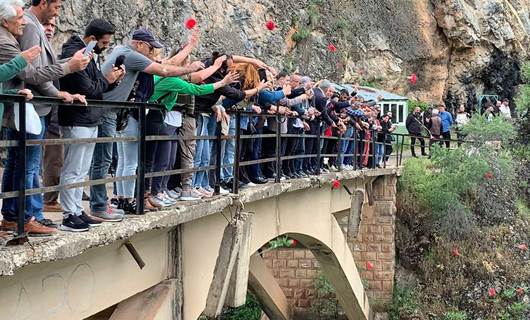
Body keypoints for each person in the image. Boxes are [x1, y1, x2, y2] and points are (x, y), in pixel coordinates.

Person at [89, 27, 204, 221]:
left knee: (118, 160)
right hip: (111, 111)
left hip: (114, 111)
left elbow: (167, 63)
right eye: (150, 49)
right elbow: (165, 69)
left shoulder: (123, 52)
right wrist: (190, 68)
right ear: (140, 44)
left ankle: (122, 199)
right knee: (110, 160)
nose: (151, 53)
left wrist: (189, 47)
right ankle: (104, 204)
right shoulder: (132, 55)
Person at [0, 0, 89, 236]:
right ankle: (24, 217)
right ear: (43, 3)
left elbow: (35, 71)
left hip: (29, 105)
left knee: (19, 164)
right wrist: (68, 67)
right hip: (30, 108)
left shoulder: (26, 25)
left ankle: (15, 216)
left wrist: (58, 92)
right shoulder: (29, 26)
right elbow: (31, 74)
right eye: (57, 6)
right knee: (26, 166)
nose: (58, 12)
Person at [57, 19, 125, 232]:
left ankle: (77, 210)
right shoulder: (75, 54)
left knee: (81, 169)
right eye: (104, 43)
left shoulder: (88, 55)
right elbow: (89, 88)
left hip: (88, 118)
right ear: (93, 39)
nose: (105, 47)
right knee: (73, 168)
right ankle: (69, 215)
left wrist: (107, 80)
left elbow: (96, 85)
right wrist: (107, 80)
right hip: (77, 118)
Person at [41, 15, 61, 213]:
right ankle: (48, 200)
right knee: (52, 158)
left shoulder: (50, 48)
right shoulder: (36, 45)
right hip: (43, 106)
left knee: (55, 157)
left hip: (50, 108)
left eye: (53, 25)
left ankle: (49, 199)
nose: (50, 28)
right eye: (46, 24)